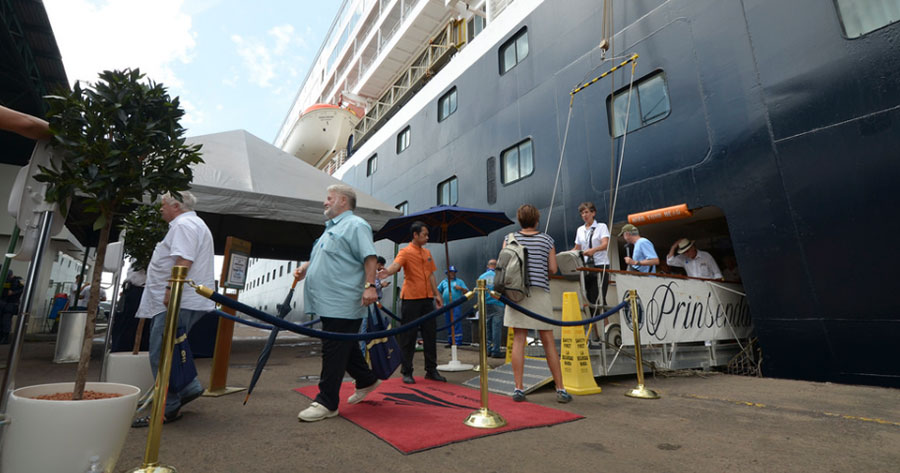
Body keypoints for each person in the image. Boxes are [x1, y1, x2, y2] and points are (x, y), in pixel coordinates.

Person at [295, 185, 381, 422]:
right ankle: (366, 380)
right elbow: (329, 257)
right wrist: (306, 267)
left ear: (343, 201)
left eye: (329, 198)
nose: (325, 203)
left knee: (333, 349)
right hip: (328, 300)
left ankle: (327, 402)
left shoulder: (355, 225)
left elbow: (370, 257)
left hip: (343, 299)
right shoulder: (330, 230)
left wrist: (370, 286)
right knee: (345, 346)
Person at [133, 191, 215, 426]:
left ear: (176, 205)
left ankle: (169, 407)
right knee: (173, 345)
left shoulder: (184, 225)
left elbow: (183, 261)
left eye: (163, 205)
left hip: (179, 298)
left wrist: (170, 290)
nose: (160, 209)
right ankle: (188, 388)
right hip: (183, 298)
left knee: (162, 351)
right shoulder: (191, 224)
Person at [504, 204, 572, 403]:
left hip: (516, 293)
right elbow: (553, 268)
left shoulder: (509, 238)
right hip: (540, 293)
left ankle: (518, 388)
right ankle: (560, 389)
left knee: (519, 339)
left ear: (519, 220)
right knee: (548, 340)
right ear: (536, 219)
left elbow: (506, 265)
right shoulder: (547, 239)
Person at [377, 221, 446, 384]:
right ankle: (407, 371)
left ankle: (431, 370)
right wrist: (387, 272)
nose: (427, 237)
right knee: (409, 337)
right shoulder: (405, 252)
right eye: (425, 235)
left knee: (430, 335)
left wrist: (437, 294)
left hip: (427, 299)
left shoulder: (427, 253)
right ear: (415, 235)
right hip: (410, 299)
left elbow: (431, 275)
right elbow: (396, 265)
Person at [571, 202, 610, 307]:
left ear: (593, 213)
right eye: (582, 213)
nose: (584, 215)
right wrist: (568, 254)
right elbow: (577, 248)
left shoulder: (601, 227)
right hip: (587, 266)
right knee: (590, 299)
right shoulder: (580, 230)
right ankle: (595, 323)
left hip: (600, 265)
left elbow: (605, 244)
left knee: (599, 298)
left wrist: (594, 250)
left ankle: (605, 323)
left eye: (587, 212)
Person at [477, 259, 506, 358]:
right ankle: (496, 351)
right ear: (496, 266)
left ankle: (488, 349)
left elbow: (478, 292)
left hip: (486, 304)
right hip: (498, 304)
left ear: (487, 266)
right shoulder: (499, 276)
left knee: (487, 328)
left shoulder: (481, 277)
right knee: (496, 328)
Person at [437, 265, 468, 346]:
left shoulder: (459, 281)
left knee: (456, 322)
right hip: (446, 305)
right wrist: (439, 299)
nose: (453, 274)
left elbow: (467, 292)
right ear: (447, 273)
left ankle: (457, 342)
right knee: (448, 323)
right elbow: (437, 291)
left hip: (456, 305)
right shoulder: (444, 282)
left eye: (454, 272)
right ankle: (451, 341)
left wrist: (461, 288)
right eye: (451, 272)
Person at [1, 271, 25, 344]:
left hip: (11, 304)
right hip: (4, 303)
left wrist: (13, 292)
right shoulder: (4, 279)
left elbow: (23, 287)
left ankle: (4, 338)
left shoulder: (18, 280)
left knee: (6, 321)